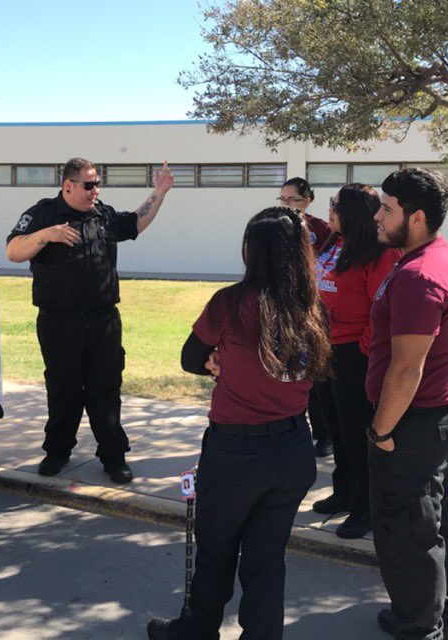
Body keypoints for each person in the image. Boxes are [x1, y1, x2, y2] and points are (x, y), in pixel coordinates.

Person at [148, 206, 330, 640]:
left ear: (251, 250)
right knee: (267, 559)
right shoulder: (313, 308)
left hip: (236, 451)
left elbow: (191, 356)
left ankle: (196, 631)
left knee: (216, 550)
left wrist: (217, 360)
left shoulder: (231, 302)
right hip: (292, 448)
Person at [5, 157, 174, 483]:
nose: (95, 190)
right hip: (59, 321)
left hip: (103, 320)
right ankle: (57, 451)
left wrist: (160, 193)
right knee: (62, 388)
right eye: (88, 184)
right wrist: (47, 235)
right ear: (68, 185)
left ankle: (113, 456)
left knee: (106, 388)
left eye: (97, 183)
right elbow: (13, 250)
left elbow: (136, 222)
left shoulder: (103, 215)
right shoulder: (43, 213)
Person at [367, 168, 448, 640]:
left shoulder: (419, 274)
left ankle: (419, 625)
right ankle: (435, 611)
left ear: (417, 216)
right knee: (430, 520)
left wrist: (381, 431)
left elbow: (407, 369)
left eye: (387, 207)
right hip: (441, 415)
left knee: (407, 529)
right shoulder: (436, 254)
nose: (377, 215)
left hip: (416, 423)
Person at [310, 184, 401, 540]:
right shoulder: (335, 244)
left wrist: (362, 350)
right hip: (326, 349)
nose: (329, 210)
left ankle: (365, 509)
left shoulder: (379, 254)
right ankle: (344, 492)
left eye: (335, 205)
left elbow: (382, 310)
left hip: (354, 356)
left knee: (356, 434)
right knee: (335, 429)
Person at [278, 177, 334, 458]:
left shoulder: (321, 229)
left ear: (307, 200)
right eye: (282, 199)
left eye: (292, 200)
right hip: (284, 305)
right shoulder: (275, 225)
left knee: (315, 372)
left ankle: (323, 434)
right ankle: (289, 428)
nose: (286, 205)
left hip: (314, 307)